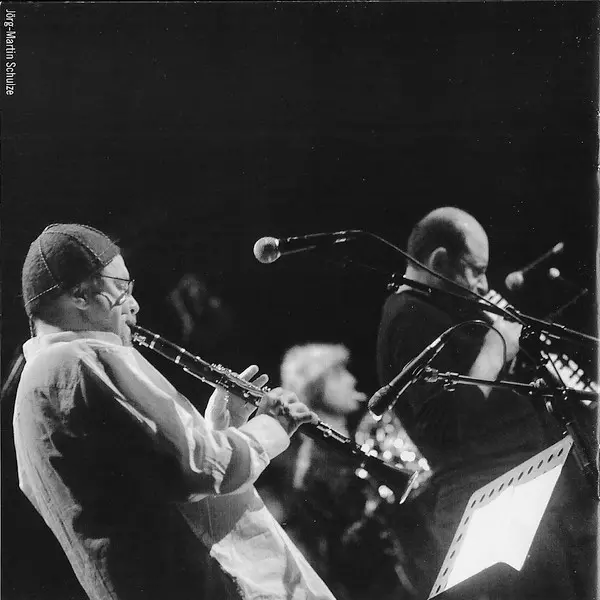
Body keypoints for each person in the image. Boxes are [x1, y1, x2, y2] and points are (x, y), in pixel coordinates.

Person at [12, 223, 337, 600]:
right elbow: (200, 469)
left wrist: (223, 426)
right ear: (81, 295)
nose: (133, 304)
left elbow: (156, 483)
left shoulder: (33, 391)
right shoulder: (82, 358)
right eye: (122, 287)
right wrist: (275, 425)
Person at [376, 207, 595, 599]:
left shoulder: (437, 310)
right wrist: (497, 347)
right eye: (476, 270)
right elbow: (445, 425)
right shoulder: (407, 318)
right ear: (438, 261)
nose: (483, 284)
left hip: (520, 496)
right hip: (495, 505)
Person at [280, 344, 410, 600]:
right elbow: (340, 561)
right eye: (338, 375)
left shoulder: (360, 437)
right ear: (315, 390)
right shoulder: (312, 472)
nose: (351, 380)